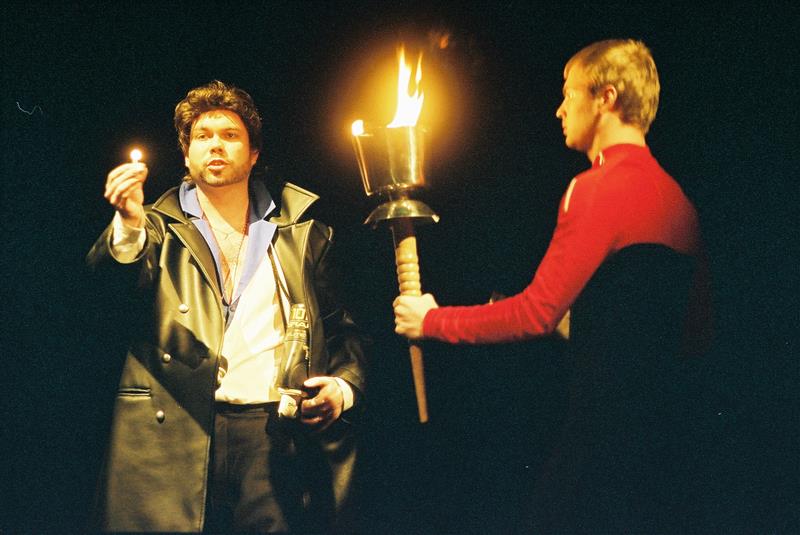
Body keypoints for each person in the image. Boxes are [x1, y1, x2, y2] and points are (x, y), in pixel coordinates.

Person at [394, 39, 711, 532]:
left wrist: (431, 320)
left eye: (569, 93)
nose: (560, 109)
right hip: (666, 448)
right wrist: (587, 327)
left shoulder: (595, 188)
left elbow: (535, 314)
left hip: (601, 445)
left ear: (605, 98)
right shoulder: (680, 201)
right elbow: (689, 334)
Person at [87, 80, 367, 533]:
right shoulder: (154, 227)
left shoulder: (301, 231)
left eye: (230, 135)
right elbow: (106, 292)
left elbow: (343, 330)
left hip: (271, 435)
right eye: (203, 136)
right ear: (186, 154)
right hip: (176, 430)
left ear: (254, 154)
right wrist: (128, 223)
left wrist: (342, 387)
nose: (215, 145)